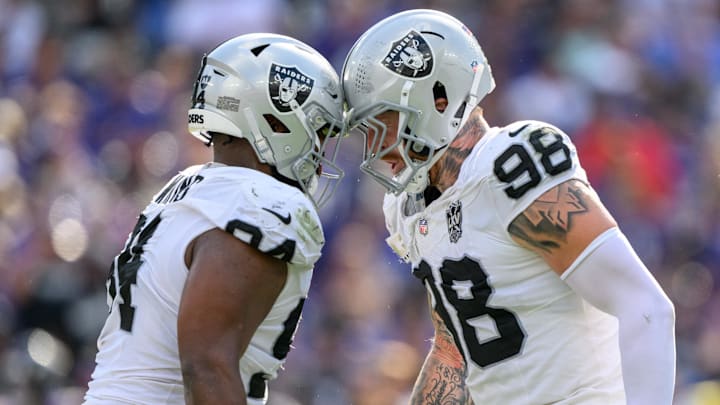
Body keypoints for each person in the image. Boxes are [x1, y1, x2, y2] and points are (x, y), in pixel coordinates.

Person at [341, 9, 676, 404]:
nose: (376, 148)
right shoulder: (410, 207)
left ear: (438, 101)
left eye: (383, 122)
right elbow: (454, 352)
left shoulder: (511, 165)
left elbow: (645, 306)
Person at [83, 33, 345, 405]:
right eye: (317, 130)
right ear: (275, 119)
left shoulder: (185, 187)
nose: (319, 149)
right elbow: (206, 365)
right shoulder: (262, 204)